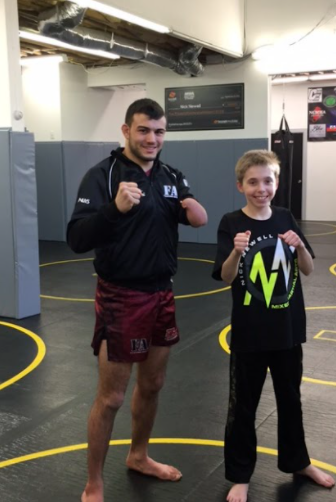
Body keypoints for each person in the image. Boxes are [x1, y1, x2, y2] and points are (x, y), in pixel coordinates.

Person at [67, 98, 207, 502]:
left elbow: (190, 213)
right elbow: (76, 238)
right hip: (120, 295)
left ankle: (139, 456)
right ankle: (94, 482)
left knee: (154, 384)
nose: (152, 138)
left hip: (162, 291)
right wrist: (114, 209)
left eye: (159, 131)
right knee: (111, 396)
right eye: (144, 130)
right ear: (126, 130)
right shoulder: (103, 175)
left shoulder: (170, 175)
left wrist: (196, 212)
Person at [212, 150, 335, 502]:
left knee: (290, 401)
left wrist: (300, 249)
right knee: (243, 407)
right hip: (250, 333)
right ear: (240, 186)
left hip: (286, 330)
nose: (261, 188)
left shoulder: (285, 217)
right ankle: (240, 475)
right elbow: (224, 277)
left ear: (277, 184)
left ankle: (299, 462)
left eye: (268, 181)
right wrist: (236, 252)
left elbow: (309, 270)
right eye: (253, 182)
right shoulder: (231, 222)